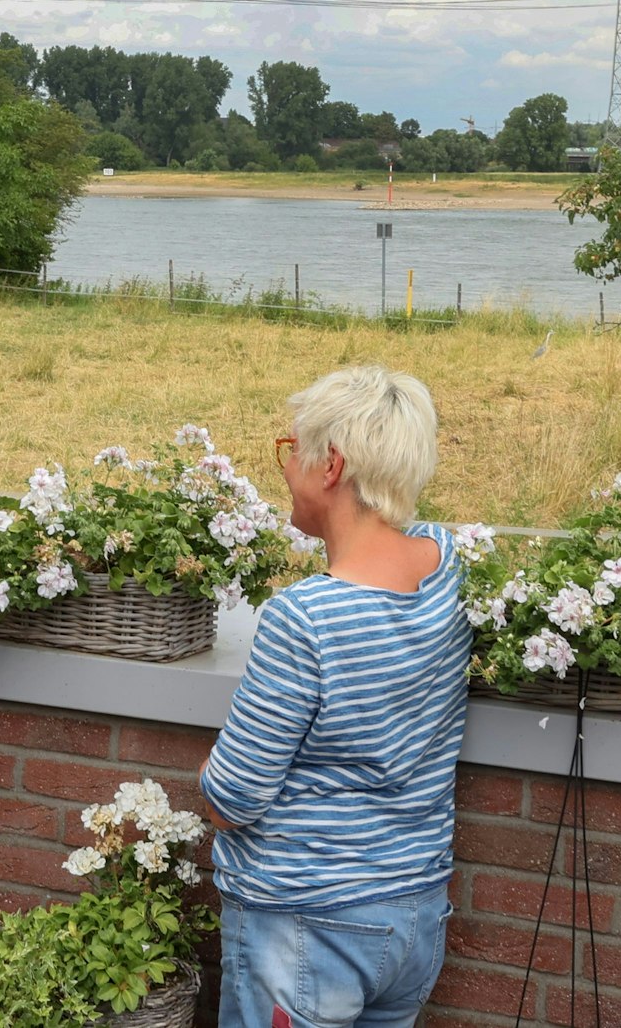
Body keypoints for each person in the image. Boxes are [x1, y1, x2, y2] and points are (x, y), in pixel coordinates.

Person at [198, 365, 469, 1028]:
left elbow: (232, 799)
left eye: (292, 451)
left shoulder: (306, 617)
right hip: (413, 914)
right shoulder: (443, 562)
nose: (284, 468)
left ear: (332, 465)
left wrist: (206, 777)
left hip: (305, 925)